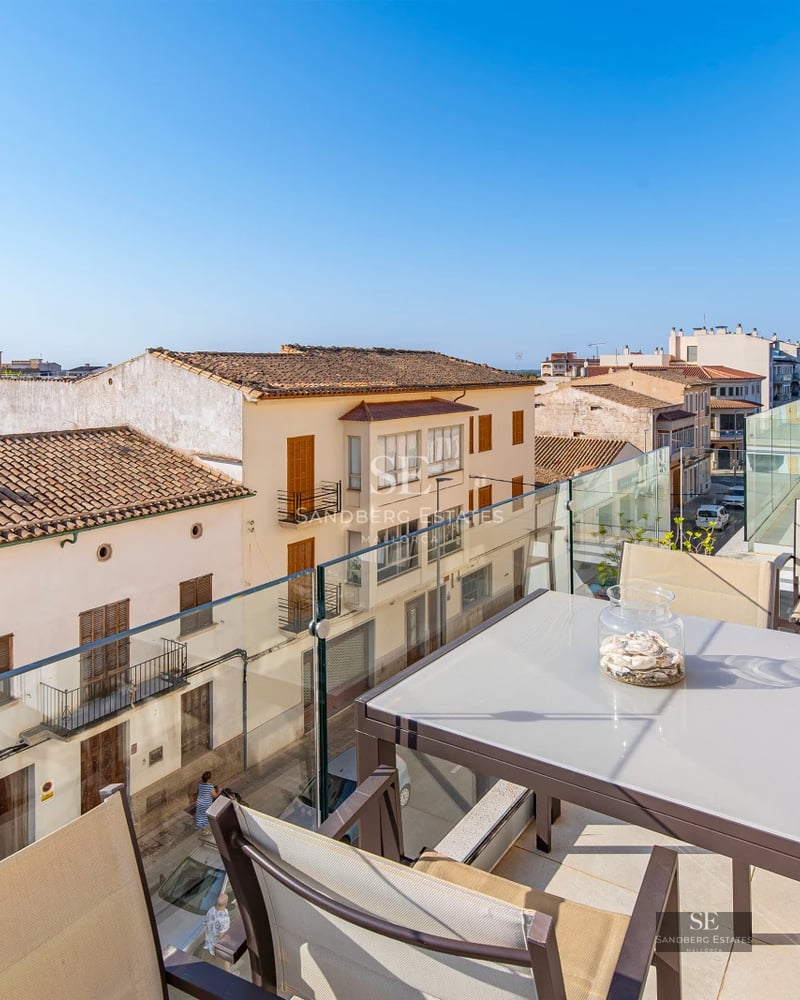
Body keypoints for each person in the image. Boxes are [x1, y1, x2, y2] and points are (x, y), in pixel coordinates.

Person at [203, 892, 231, 968]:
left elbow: (206, 925)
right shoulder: (225, 918)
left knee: (208, 964)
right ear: (226, 903)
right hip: (217, 947)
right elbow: (222, 937)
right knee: (225, 964)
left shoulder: (211, 910)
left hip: (208, 944)